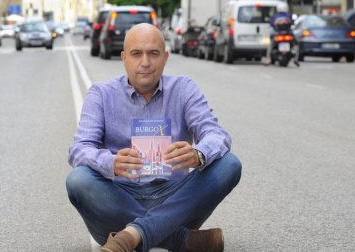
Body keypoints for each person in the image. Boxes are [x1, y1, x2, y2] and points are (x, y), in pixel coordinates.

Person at [66, 23, 242, 252]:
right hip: (118, 201)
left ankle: (132, 235)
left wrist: (198, 154)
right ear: (124, 58)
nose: (145, 62)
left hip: (176, 198)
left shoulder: (184, 88)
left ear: (166, 58)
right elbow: (79, 148)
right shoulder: (101, 93)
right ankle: (181, 240)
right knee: (78, 179)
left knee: (229, 164)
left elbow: (216, 135)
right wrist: (112, 162)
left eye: (153, 53)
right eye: (136, 54)